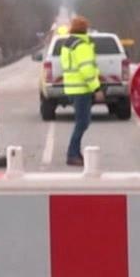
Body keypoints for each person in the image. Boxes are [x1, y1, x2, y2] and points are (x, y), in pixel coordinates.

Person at [58, 15, 100, 166]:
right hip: (82, 89)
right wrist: (96, 87)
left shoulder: (68, 44)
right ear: (85, 28)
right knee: (82, 123)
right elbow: (86, 70)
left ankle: (75, 152)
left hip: (72, 89)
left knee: (81, 122)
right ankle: (72, 154)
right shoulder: (82, 46)